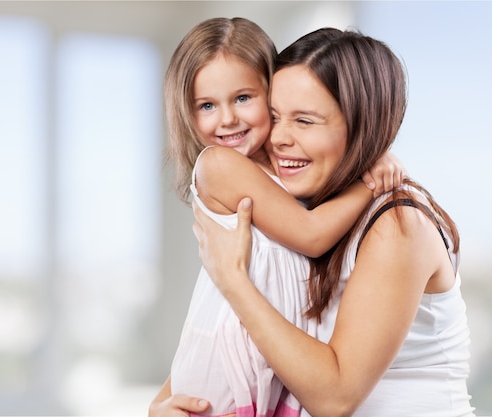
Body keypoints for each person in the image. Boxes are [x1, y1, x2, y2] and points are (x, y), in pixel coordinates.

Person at [190, 27, 475, 417]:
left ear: (362, 126)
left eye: (305, 121)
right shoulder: (306, 213)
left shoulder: (397, 224)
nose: (278, 138)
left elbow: (335, 398)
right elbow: (227, 329)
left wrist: (233, 280)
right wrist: (169, 401)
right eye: (274, 116)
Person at [157, 18, 406, 417]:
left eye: (243, 98)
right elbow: (310, 234)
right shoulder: (219, 165)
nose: (227, 119)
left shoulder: (282, 165)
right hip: (229, 369)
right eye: (207, 105)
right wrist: (370, 182)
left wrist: (371, 153)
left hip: (269, 367)